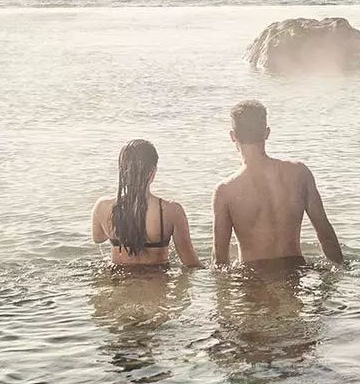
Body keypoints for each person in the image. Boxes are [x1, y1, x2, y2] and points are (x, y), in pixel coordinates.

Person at [211, 100, 343, 266]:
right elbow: (326, 235)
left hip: (253, 278)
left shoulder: (225, 190)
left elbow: (220, 260)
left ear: (232, 136)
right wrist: (339, 275)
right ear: (267, 133)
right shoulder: (300, 173)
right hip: (295, 270)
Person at [91, 139, 201, 267]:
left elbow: (98, 238)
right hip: (155, 282)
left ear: (122, 171)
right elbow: (190, 262)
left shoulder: (103, 207)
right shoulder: (171, 211)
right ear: (152, 173)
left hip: (118, 281)